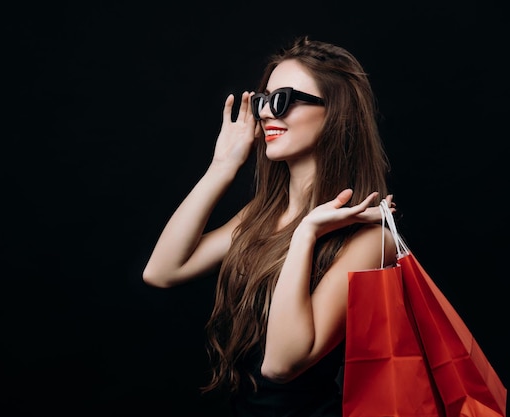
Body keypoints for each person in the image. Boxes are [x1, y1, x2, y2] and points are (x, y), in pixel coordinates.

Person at [142, 35, 397, 417]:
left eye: (283, 99)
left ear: (336, 113)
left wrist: (307, 233)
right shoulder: (261, 216)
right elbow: (161, 271)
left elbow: (281, 364)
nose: (265, 113)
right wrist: (223, 166)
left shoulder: (371, 240)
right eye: (263, 100)